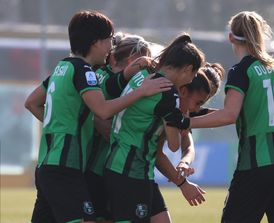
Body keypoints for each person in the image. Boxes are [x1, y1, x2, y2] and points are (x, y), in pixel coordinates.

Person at [25, 10, 172, 223]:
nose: (111, 47)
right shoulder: (84, 71)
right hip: (66, 166)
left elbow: (31, 102)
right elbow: (102, 110)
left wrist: (67, 125)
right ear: (95, 42)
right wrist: (140, 91)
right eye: (109, 40)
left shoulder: (62, 66)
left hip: (47, 163)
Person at [189, 11, 274, 223]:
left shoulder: (241, 70)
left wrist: (185, 122)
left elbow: (229, 115)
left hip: (256, 165)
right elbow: (246, 112)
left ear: (231, 37)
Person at [104, 33, 205, 222]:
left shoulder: (145, 74)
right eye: (193, 75)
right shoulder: (167, 92)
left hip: (122, 165)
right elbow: (174, 144)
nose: (191, 81)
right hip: (130, 170)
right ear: (188, 69)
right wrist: (181, 119)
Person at [85, 32, 153, 223]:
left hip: (113, 169)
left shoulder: (128, 86)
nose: (138, 72)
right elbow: (111, 88)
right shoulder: (101, 76)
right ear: (115, 59)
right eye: (135, 63)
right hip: (93, 168)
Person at [153, 62, 225, 223]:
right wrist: (183, 183)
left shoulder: (187, 110)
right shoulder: (169, 105)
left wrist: (184, 162)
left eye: (204, 102)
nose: (198, 109)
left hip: (141, 172)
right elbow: (161, 152)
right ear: (184, 89)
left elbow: (188, 145)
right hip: (128, 170)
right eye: (199, 102)